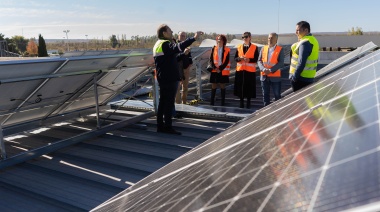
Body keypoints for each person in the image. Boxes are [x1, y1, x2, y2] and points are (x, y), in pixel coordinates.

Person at [153, 24, 203, 135]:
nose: (172, 32)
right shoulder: (165, 44)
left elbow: (171, 59)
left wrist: (182, 54)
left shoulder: (158, 44)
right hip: (169, 78)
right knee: (169, 103)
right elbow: (177, 47)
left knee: (162, 103)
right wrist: (193, 38)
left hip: (164, 77)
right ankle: (168, 127)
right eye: (170, 30)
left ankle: (160, 126)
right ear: (164, 33)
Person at [289, 21, 319, 92]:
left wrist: (294, 77)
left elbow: (301, 62)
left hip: (300, 78)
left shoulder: (305, 43)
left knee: (298, 101)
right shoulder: (313, 40)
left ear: (306, 30)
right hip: (308, 77)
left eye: (298, 30)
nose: (296, 33)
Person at [258, 32, 285, 106]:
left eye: (272, 38)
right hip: (264, 76)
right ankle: (266, 112)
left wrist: (270, 70)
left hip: (275, 77)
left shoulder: (280, 49)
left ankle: (278, 112)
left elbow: (281, 63)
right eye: (269, 38)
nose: (270, 39)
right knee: (265, 96)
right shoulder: (263, 48)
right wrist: (263, 69)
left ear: (276, 40)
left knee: (277, 96)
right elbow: (259, 61)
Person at [234, 32, 259, 109]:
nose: (244, 38)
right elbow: (235, 58)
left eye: (246, 37)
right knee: (240, 87)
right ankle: (241, 102)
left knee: (249, 87)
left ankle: (248, 102)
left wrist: (249, 60)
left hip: (250, 71)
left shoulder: (255, 47)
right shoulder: (239, 47)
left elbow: (256, 58)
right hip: (240, 70)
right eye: (243, 37)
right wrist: (239, 59)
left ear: (250, 37)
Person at [208, 34, 230, 106]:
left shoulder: (227, 49)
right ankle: (212, 102)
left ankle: (222, 103)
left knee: (222, 86)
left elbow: (226, 61)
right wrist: (215, 68)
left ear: (223, 41)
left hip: (222, 71)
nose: (219, 40)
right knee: (213, 85)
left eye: (220, 39)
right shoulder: (214, 48)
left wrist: (220, 68)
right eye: (218, 39)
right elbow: (211, 59)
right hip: (214, 70)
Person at [175, 31, 193, 104]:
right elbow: (176, 58)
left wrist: (190, 64)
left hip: (186, 68)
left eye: (184, 36)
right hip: (178, 70)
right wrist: (184, 53)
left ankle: (184, 101)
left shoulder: (187, 46)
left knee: (185, 87)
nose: (182, 37)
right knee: (177, 88)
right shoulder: (175, 45)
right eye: (181, 35)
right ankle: (178, 103)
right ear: (178, 36)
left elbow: (189, 57)